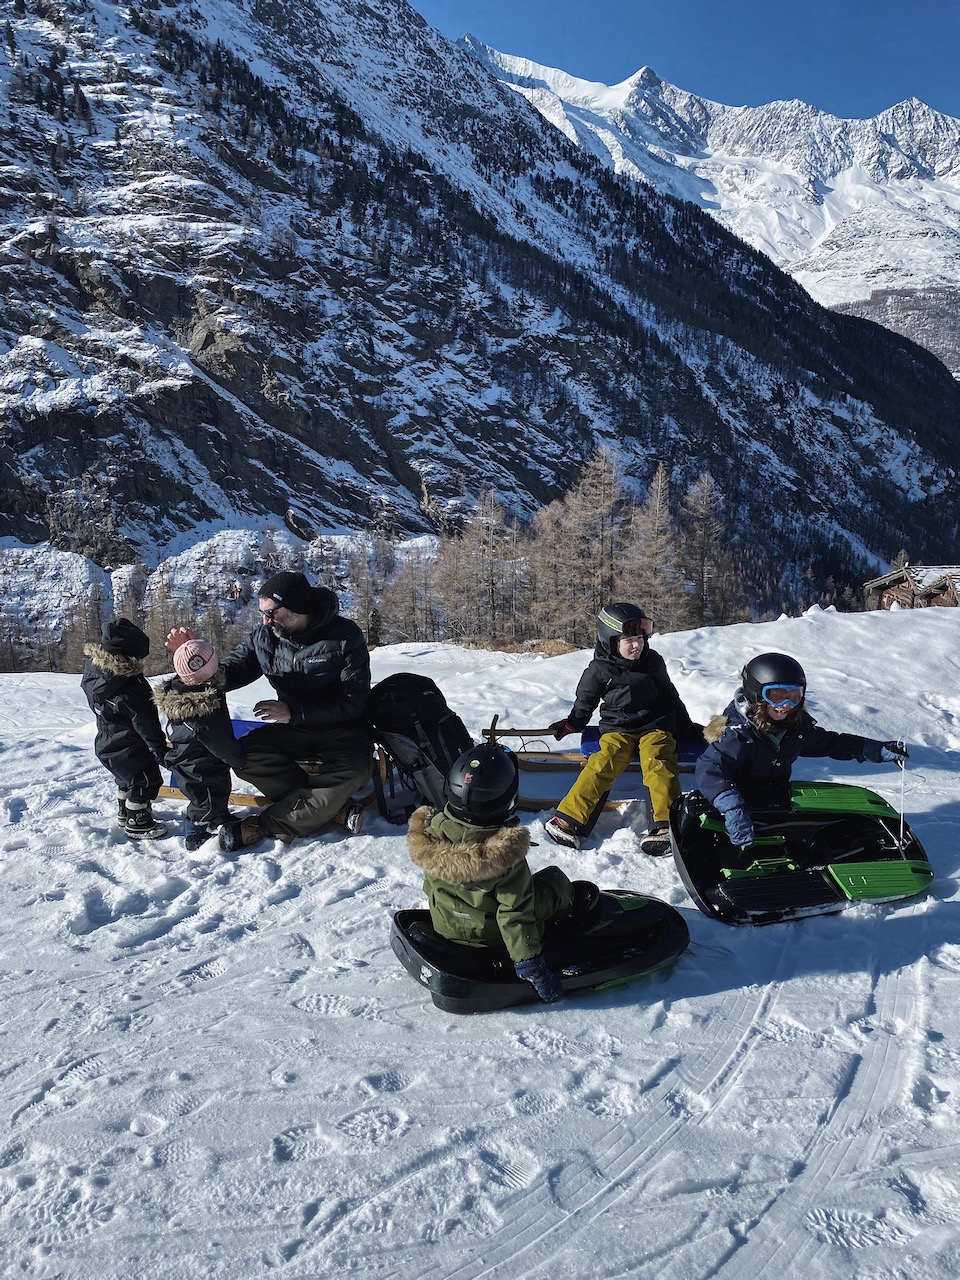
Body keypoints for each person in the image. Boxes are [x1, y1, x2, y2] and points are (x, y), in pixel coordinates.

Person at [167, 571, 372, 853]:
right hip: (293, 730)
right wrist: (196, 663)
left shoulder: (345, 637)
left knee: (355, 772)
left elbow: (354, 701)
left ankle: (260, 826)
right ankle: (332, 808)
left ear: (297, 608)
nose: (265, 620)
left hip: (344, 729)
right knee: (243, 756)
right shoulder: (265, 636)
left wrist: (293, 712)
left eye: (271, 613)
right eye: (262, 613)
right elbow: (232, 671)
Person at [407, 743, 573, 1003]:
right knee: (555, 881)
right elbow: (514, 914)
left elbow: (431, 887)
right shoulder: (504, 857)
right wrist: (531, 967)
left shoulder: (431, 836)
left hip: (445, 925)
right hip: (491, 935)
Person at [694, 651, 908, 848]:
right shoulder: (737, 733)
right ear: (755, 694)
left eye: (794, 696)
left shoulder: (793, 727)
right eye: (776, 696)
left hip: (772, 801)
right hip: (734, 806)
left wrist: (875, 750)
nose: (786, 704)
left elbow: (831, 743)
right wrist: (732, 808)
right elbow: (710, 769)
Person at [544, 603, 700, 857]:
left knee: (658, 761)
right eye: (628, 639)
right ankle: (568, 819)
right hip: (618, 727)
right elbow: (586, 700)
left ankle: (664, 825)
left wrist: (686, 726)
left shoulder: (653, 662)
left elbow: (670, 695)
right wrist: (574, 722)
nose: (636, 645)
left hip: (655, 725)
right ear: (610, 639)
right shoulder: (599, 669)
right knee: (603, 762)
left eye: (639, 638)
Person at [81, 618, 169, 840]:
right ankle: (138, 821)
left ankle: (124, 811)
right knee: (144, 780)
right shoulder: (132, 687)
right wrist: (159, 748)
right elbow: (146, 722)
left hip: (106, 742)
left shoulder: (95, 674)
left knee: (125, 778)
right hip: (131, 746)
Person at [153, 638, 242, 852]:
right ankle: (196, 832)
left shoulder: (182, 692)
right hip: (200, 765)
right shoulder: (203, 710)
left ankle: (218, 815)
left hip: (192, 758)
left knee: (217, 792)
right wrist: (238, 759)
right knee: (205, 800)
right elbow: (218, 741)